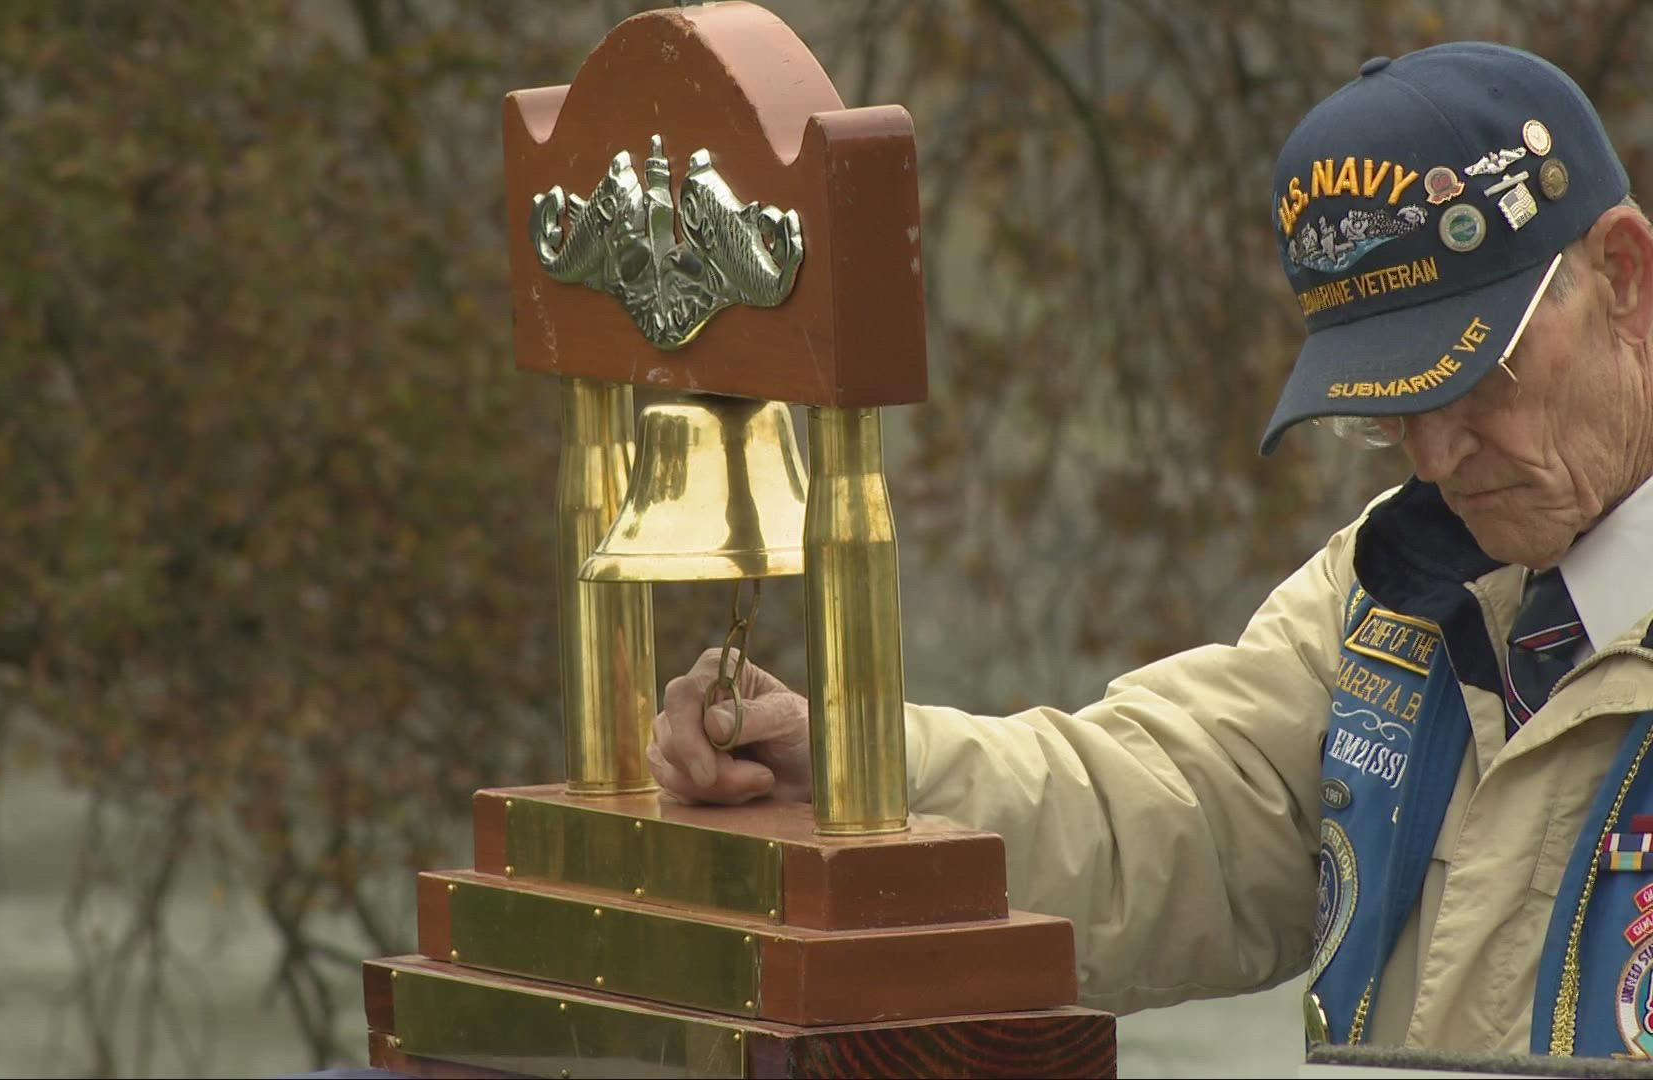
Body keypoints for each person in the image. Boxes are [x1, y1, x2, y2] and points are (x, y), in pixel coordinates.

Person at [647, 41, 1653, 1058]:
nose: (1434, 456)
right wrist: (854, 765)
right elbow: (1157, 814)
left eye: (1482, 374)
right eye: (1389, 412)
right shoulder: (1390, 593)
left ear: (1622, 274)